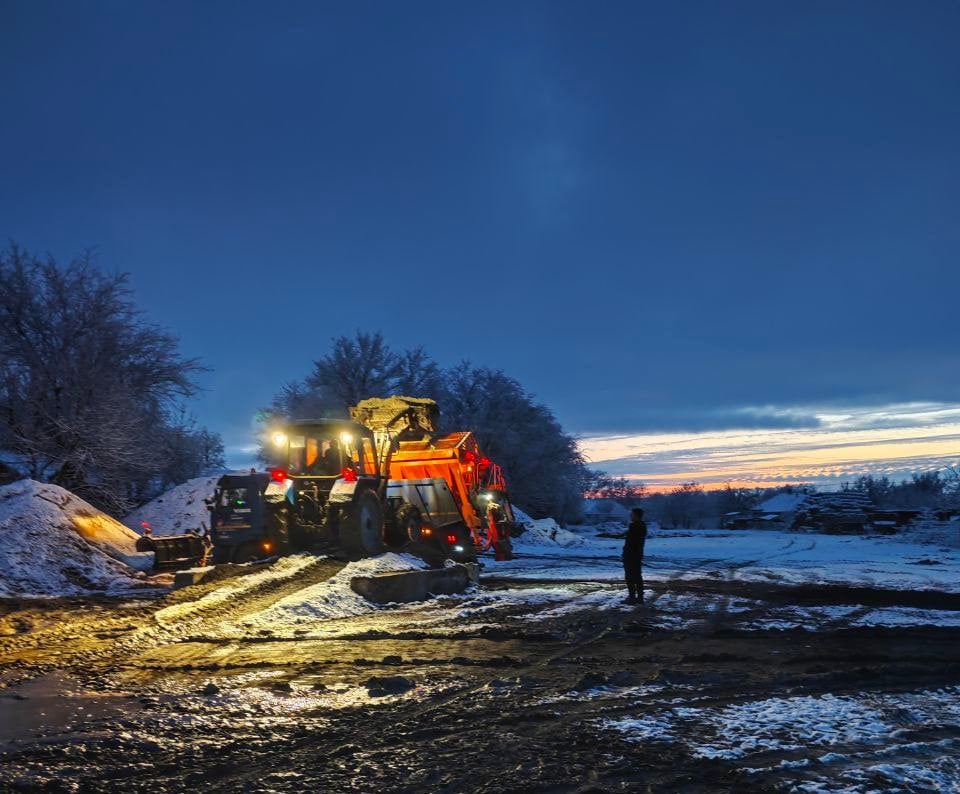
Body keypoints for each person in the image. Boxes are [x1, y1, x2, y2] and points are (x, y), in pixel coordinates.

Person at [622, 507, 647, 604]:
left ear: (636, 515)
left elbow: (631, 542)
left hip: (631, 555)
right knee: (637, 576)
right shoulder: (641, 526)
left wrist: (627, 554)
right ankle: (639, 597)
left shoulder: (635, 527)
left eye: (632, 514)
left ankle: (632, 597)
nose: (630, 516)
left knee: (630, 576)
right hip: (636, 555)